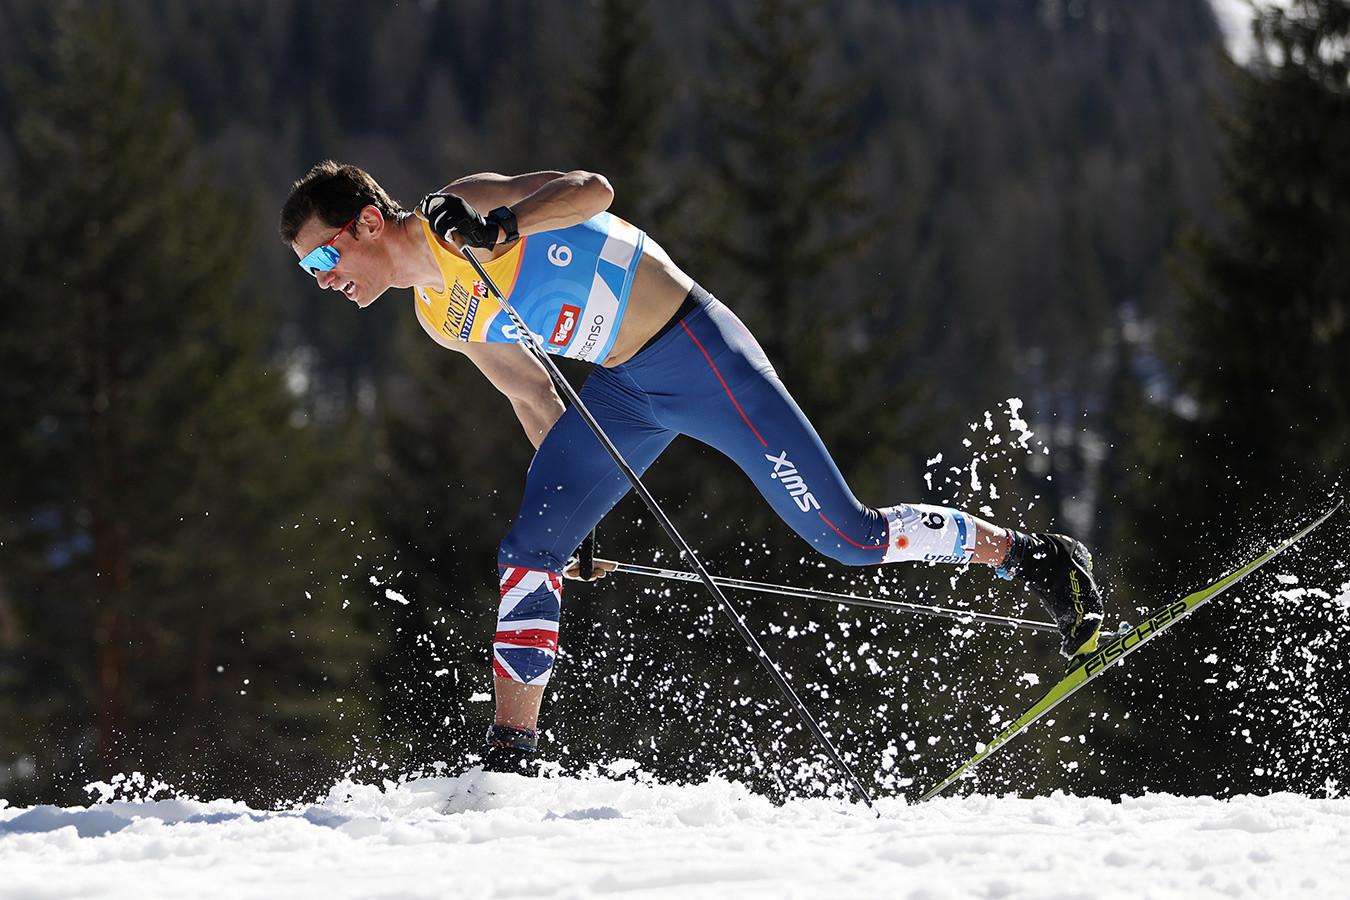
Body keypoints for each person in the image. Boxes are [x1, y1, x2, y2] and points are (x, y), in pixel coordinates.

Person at [279, 161, 1106, 774]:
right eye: (310, 274)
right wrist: (581, 519)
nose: (326, 283)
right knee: (532, 550)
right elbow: (534, 397)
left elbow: (593, 189)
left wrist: (509, 226)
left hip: (699, 353)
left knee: (846, 537)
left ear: (364, 223)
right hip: (625, 392)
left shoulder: (459, 211)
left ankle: (1032, 558)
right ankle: (512, 757)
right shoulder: (437, 314)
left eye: (323, 260)